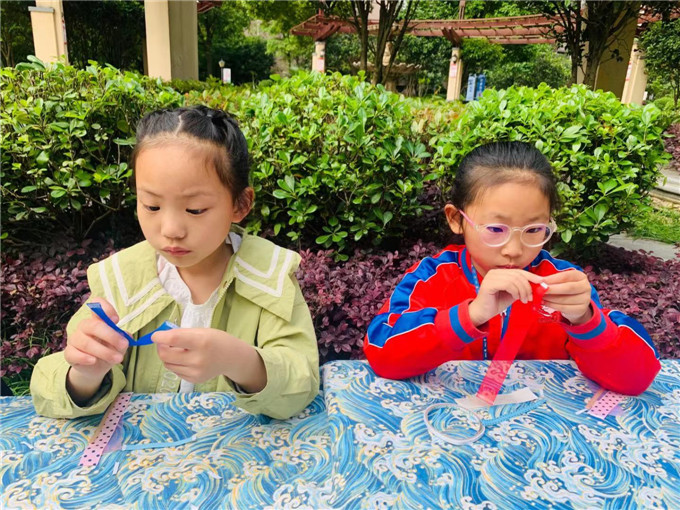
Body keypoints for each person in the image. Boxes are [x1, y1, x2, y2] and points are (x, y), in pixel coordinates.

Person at [31, 106, 319, 420]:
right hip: (140, 448)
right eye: (152, 206)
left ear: (240, 204)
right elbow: (48, 390)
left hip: (236, 448)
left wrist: (240, 361)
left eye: (195, 210)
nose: (171, 230)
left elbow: (301, 383)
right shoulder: (122, 279)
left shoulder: (270, 277)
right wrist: (85, 375)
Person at [364, 141, 660, 396]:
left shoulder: (561, 282)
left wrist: (586, 321)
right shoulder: (432, 277)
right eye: (495, 229)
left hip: (543, 430)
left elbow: (635, 379)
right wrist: (471, 315)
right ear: (456, 219)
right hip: (452, 425)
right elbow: (381, 353)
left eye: (534, 230)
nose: (514, 250)